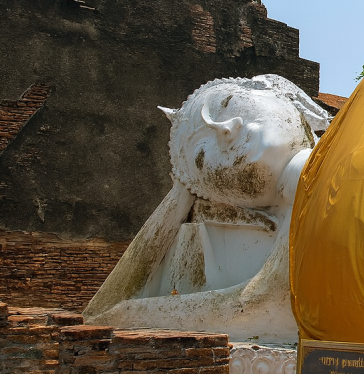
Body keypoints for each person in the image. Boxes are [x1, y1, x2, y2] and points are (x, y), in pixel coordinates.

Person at [84, 74, 331, 343]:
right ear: (223, 197)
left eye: (227, 103)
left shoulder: (324, 170)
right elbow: (100, 310)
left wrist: (128, 314)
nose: (223, 129)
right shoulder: (295, 185)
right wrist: (182, 192)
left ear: (281, 93)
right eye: (202, 156)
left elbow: (266, 304)